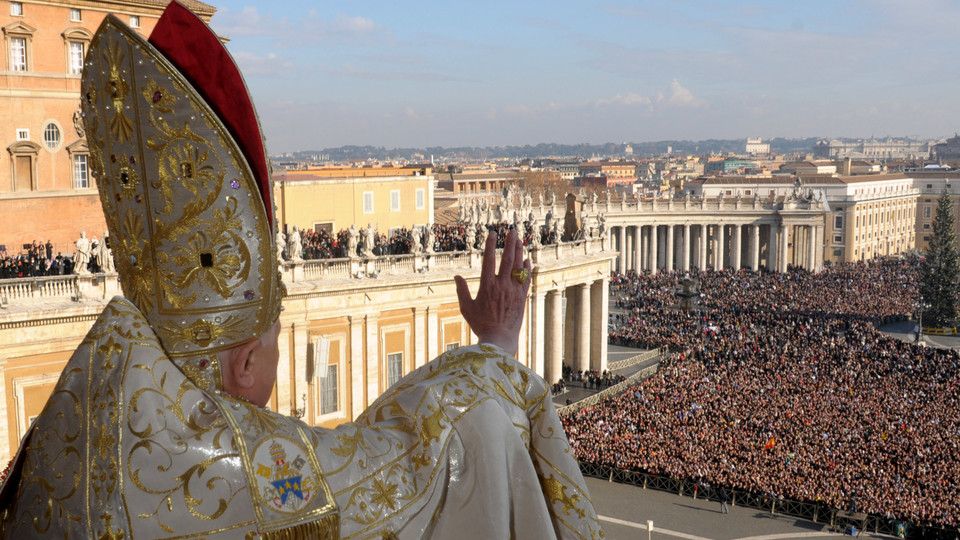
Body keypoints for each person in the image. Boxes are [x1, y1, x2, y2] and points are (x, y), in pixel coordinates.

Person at [0, 6, 600, 539]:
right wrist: (497, 344)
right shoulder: (254, 478)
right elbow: (421, 463)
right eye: (272, 344)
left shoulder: (67, 436)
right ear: (242, 365)